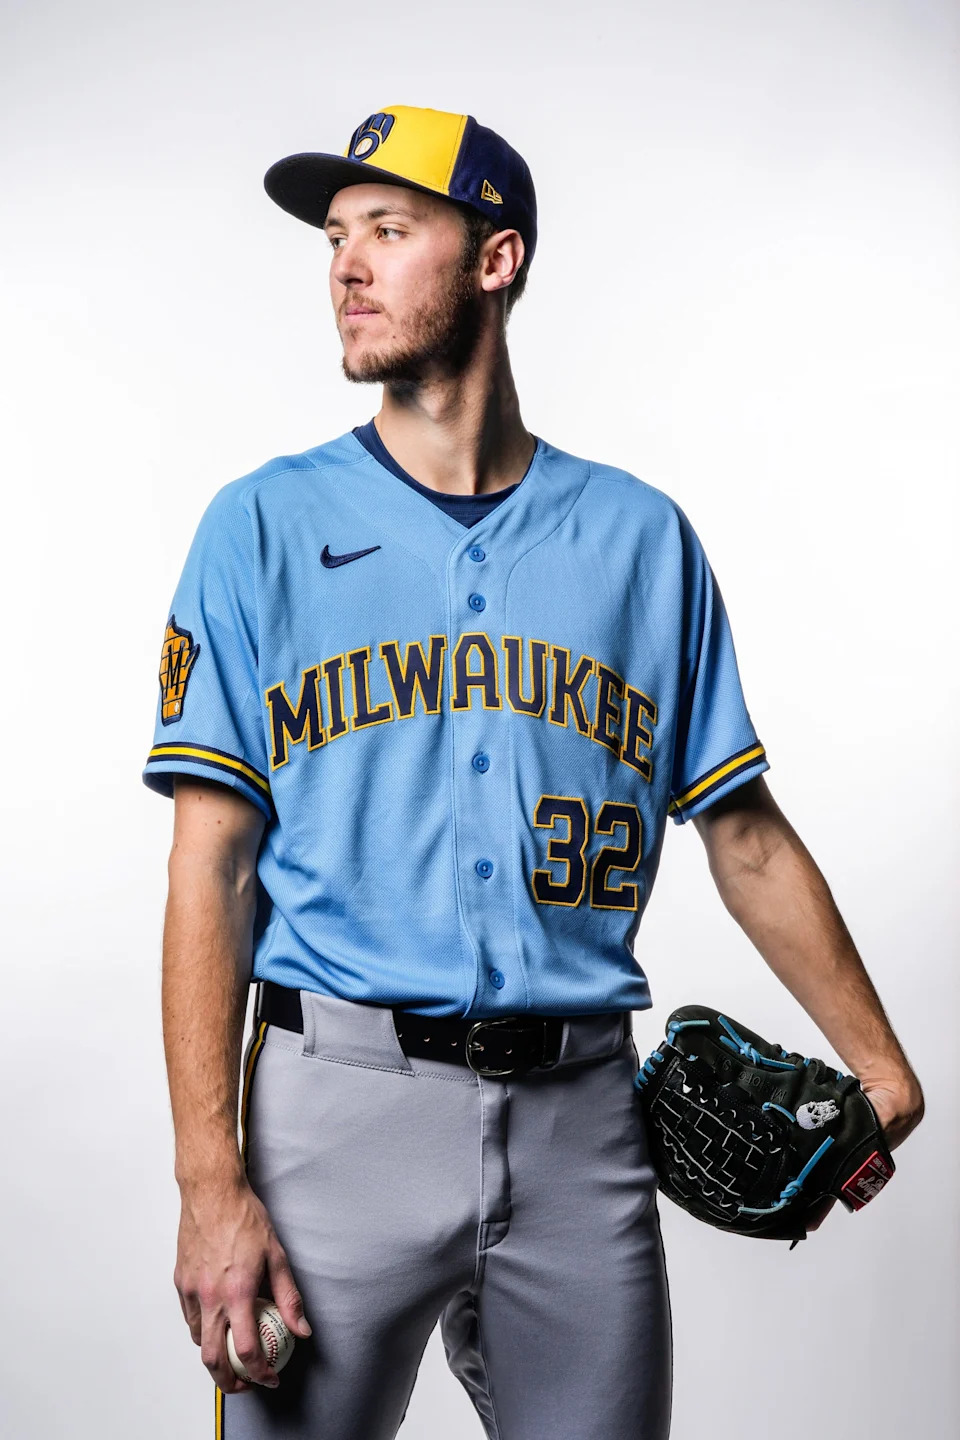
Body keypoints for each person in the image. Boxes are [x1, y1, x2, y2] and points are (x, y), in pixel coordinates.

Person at [143, 105, 925, 1440]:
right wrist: (211, 1182)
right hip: (339, 1113)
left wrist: (882, 1067)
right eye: (337, 237)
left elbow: (740, 834)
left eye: (389, 230)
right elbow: (208, 866)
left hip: (582, 1128)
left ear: (495, 259)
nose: (346, 264)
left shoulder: (641, 542)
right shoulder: (260, 526)